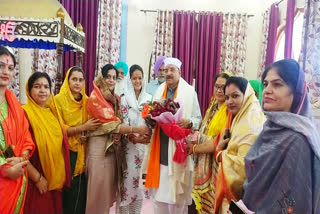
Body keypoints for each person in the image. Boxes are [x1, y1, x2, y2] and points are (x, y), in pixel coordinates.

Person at [240, 59, 320, 213]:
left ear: (297, 92)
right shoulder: (269, 128)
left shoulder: (297, 140)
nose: (267, 90)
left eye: (277, 84)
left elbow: (295, 201)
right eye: (266, 84)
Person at [188, 76, 265, 213]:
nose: (229, 101)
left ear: (246, 95)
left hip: (243, 198)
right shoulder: (236, 117)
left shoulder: (251, 124)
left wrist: (219, 154)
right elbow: (220, 140)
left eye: (235, 96)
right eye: (227, 97)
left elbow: (243, 167)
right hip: (226, 186)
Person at [85, 64, 151, 214]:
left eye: (114, 77)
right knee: (99, 189)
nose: (111, 80)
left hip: (119, 149)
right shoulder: (100, 97)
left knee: (111, 191)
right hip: (107, 148)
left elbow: (119, 123)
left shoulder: (115, 98)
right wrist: (134, 132)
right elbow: (116, 123)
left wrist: (143, 136)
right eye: (108, 76)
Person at [141, 57, 202, 214]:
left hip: (178, 151)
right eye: (166, 70)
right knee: (158, 199)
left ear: (179, 72)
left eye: (172, 70)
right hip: (159, 150)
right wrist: (150, 120)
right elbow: (152, 116)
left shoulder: (189, 92)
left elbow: (197, 120)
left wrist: (188, 123)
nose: (168, 73)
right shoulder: (159, 90)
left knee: (178, 202)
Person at [54, 66, 101, 214]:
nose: (77, 83)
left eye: (81, 80)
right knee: (68, 192)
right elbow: (59, 130)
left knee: (81, 193)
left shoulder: (87, 101)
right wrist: (83, 127)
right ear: (67, 81)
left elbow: (95, 124)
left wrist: (86, 131)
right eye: (74, 79)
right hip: (66, 152)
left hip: (84, 151)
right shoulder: (58, 101)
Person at [23, 72, 71, 214]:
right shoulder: (24, 113)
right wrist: (37, 178)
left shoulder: (52, 113)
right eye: (37, 86)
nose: (42, 90)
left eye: (46, 86)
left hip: (54, 180)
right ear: (29, 90)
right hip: (35, 180)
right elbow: (20, 150)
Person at [188, 72, 230, 214]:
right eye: (216, 86)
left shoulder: (229, 111)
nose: (219, 90)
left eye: (223, 87)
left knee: (214, 205)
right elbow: (204, 131)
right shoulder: (213, 106)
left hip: (216, 165)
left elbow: (216, 142)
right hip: (203, 162)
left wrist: (194, 148)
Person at [0, 46, 35, 214]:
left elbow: (25, 136)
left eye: (10, 68)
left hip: (16, 177)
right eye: (0, 66)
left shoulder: (14, 103)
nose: (5, 71)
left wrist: (22, 158)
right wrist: (5, 168)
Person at [118, 64, 152, 214]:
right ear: (129, 80)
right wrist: (136, 138)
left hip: (144, 150)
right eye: (134, 78)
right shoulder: (124, 100)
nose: (137, 81)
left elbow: (152, 124)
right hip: (129, 150)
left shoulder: (149, 100)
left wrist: (147, 136)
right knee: (127, 186)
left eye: (140, 78)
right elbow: (123, 124)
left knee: (140, 186)